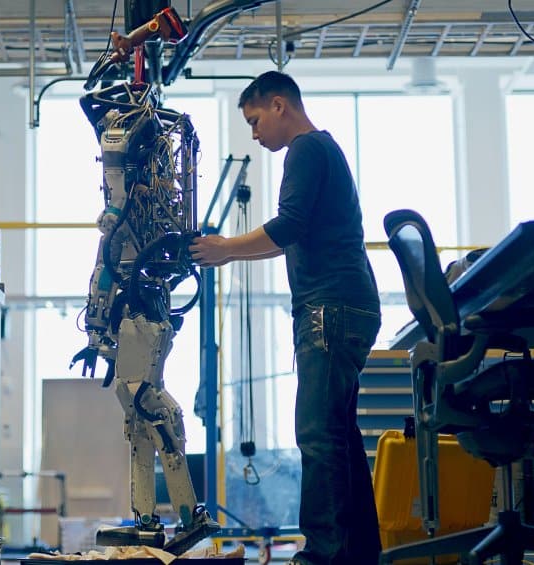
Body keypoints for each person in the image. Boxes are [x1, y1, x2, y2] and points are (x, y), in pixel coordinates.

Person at [189, 71, 382, 565]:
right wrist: (228, 254)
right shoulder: (322, 152)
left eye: (255, 121)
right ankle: (357, 552)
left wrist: (225, 248)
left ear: (279, 105)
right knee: (339, 434)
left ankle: (322, 555)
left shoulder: (306, 150)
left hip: (330, 309)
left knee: (317, 434)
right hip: (345, 306)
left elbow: (288, 225)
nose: (254, 134)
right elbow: (292, 237)